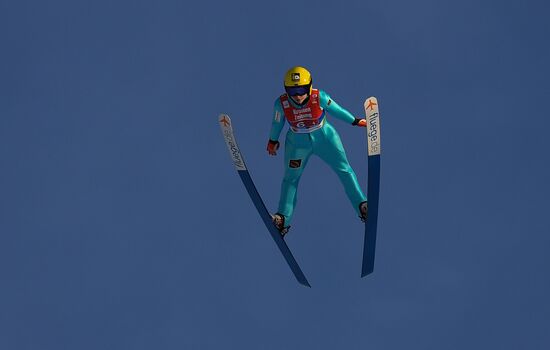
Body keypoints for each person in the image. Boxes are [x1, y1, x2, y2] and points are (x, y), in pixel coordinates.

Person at [267, 66, 368, 236]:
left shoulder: (318, 96)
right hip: (297, 144)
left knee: (344, 169)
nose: (298, 95)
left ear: (309, 87)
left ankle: (362, 205)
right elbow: (277, 123)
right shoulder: (282, 103)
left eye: (301, 90)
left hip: (325, 138)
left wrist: (355, 121)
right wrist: (272, 140)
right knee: (290, 179)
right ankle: (282, 218)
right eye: (293, 91)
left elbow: (337, 109)